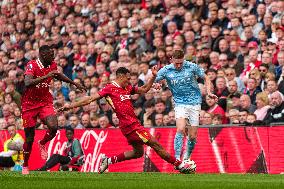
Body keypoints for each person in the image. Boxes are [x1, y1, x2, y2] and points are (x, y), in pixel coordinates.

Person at [59, 67, 191, 174]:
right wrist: (69, 106)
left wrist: (153, 76)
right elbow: (89, 99)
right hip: (130, 125)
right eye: (127, 79)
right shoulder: (110, 88)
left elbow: (144, 89)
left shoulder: (127, 88)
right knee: (155, 144)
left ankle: (109, 161)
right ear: (120, 76)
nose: (129, 81)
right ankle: (179, 165)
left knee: (138, 153)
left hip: (132, 124)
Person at [21, 45, 85, 174]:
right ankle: (25, 165)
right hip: (29, 105)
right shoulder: (32, 65)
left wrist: (74, 83)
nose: (54, 57)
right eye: (51, 54)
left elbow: (58, 76)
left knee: (54, 127)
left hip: (45, 102)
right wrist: (47, 76)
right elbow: (27, 82)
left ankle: (42, 142)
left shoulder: (52, 65)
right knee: (29, 138)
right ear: (44, 55)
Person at [154, 49, 214, 161]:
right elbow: (154, 80)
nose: (179, 65)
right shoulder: (166, 70)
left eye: (181, 63)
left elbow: (206, 77)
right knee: (181, 128)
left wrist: (209, 92)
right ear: (171, 60)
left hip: (195, 102)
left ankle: (187, 157)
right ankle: (177, 159)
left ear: (184, 59)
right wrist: (156, 84)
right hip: (180, 102)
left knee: (192, 136)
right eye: (176, 63)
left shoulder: (192, 66)